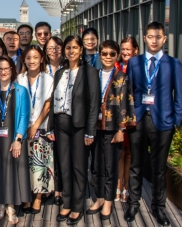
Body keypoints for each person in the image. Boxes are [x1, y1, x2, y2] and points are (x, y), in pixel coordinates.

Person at [125, 22, 182, 226]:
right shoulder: (134, 63)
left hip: (163, 122)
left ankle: (159, 208)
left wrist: (175, 120)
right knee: (136, 165)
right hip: (138, 120)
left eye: (158, 37)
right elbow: (129, 92)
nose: (154, 40)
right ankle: (133, 203)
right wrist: (129, 116)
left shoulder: (174, 64)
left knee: (159, 169)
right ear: (145, 38)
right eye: (150, 36)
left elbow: (179, 96)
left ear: (164, 39)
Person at [47, 35, 100, 226]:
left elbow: (94, 104)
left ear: (81, 50)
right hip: (61, 124)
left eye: (75, 47)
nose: (71, 51)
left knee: (78, 167)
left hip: (79, 126)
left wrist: (90, 131)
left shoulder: (90, 72)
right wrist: (51, 126)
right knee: (64, 165)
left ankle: (78, 206)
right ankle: (67, 202)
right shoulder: (60, 73)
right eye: (68, 48)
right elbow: (53, 101)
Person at [87, 40, 136, 220]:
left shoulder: (121, 77)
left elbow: (126, 103)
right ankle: (99, 197)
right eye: (104, 53)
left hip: (112, 127)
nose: (108, 56)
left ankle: (108, 200)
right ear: (100, 55)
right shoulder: (95, 74)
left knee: (110, 166)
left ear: (116, 56)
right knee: (96, 164)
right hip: (95, 127)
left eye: (111, 54)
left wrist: (121, 129)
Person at [0, 56, 31, 225]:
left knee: (13, 171)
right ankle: (1, 204)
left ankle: (11, 206)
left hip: (14, 140)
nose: (3, 72)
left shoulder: (21, 91)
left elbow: (25, 116)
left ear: (12, 70)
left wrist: (18, 139)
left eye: (6, 68)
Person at [17, 45, 54, 214]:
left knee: (40, 164)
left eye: (35, 57)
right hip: (22, 129)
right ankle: (26, 196)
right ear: (24, 59)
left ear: (41, 59)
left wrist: (36, 126)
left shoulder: (48, 78)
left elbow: (47, 105)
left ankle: (38, 198)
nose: (32, 61)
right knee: (24, 165)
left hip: (41, 128)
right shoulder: (19, 79)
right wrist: (25, 127)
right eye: (28, 58)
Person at [115, 36, 139, 202]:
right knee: (119, 152)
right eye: (122, 49)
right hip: (117, 115)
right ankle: (117, 186)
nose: (124, 52)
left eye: (128, 49)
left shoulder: (139, 67)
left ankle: (126, 187)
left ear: (135, 50)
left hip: (134, 114)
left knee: (130, 153)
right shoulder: (116, 67)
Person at [43, 36, 64, 206]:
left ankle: (59, 189)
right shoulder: (42, 68)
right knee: (46, 155)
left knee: (61, 155)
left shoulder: (67, 67)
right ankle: (47, 187)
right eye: (50, 48)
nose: (53, 51)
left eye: (56, 47)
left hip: (62, 117)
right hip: (44, 118)